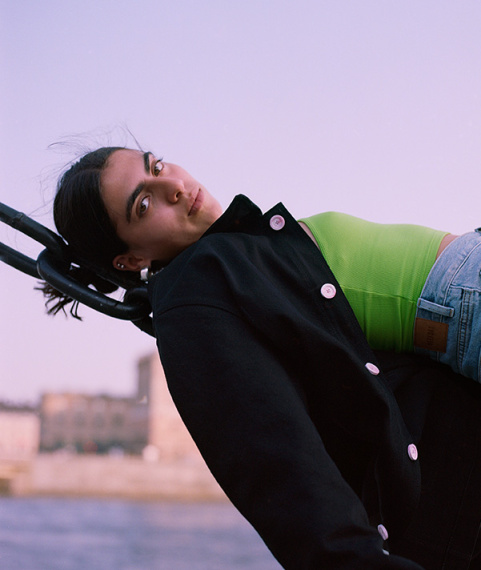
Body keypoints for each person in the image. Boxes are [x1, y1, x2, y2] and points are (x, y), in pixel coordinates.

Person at [43, 146, 481, 569]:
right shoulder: (196, 289)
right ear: (132, 258)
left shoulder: (233, 254)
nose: (172, 186)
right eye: (143, 204)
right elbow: (273, 457)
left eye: (155, 167)